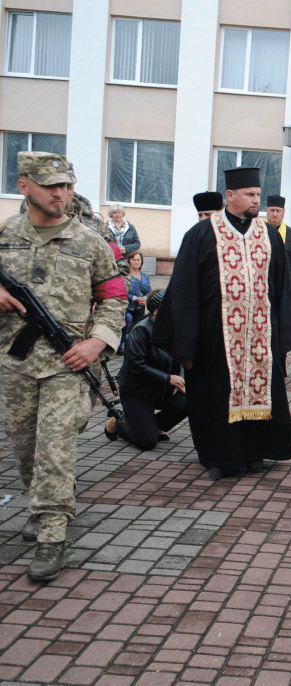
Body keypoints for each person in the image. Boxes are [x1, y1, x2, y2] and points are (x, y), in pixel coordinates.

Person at [0, 152, 126, 582]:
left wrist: (96, 343)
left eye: (68, 186)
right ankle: (43, 500)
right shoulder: (4, 234)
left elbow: (115, 298)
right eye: (53, 185)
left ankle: (52, 534)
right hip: (14, 361)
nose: (62, 194)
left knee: (55, 446)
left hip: (67, 362)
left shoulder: (89, 241)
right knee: (24, 446)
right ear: (24, 185)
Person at [152, 167, 291, 480]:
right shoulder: (203, 234)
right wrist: (187, 342)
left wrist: (281, 331)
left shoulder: (268, 234)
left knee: (263, 391)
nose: (255, 200)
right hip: (214, 339)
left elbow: (281, 286)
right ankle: (221, 458)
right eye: (250, 194)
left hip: (260, 336)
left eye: (258, 195)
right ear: (230, 196)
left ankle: (254, 453)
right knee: (216, 396)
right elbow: (183, 289)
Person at [104, 290, 187, 450]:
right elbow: (136, 365)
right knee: (147, 442)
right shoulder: (141, 330)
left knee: (189, 400)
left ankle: (154, 426)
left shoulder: (174, 328)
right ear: (156, 311)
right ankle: (119, 422)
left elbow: (182, 360)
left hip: (160, 388)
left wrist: (179, 379)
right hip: (137, 392)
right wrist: (168, 378)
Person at [265, 195, 291, 305]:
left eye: (278, 210)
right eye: (272, 210)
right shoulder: (259, 231)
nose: (275, 214)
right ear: (267, 210)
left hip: (284, 285)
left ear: (283, 212)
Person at [119, 252, 150, 345]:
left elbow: (149, 291)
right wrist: (135, 298)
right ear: (129, 261)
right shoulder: (125, 275)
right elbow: (123, 291)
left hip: (140, 306)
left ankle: (133, 344)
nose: (136, 262)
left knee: (138, 326)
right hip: (128, 305)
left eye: (138, 260)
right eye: (133, 260)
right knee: (128, 321)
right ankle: (122, 343)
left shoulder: (145, 276)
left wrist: (144, 298)